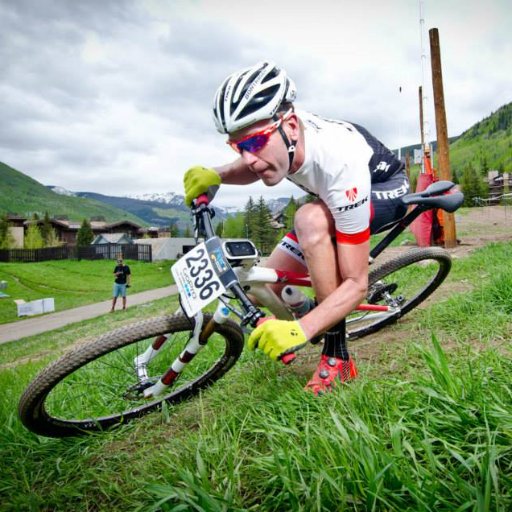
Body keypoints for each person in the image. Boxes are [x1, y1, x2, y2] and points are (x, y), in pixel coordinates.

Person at [183, 61, 409, 395]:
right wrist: (217, 174)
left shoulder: (337, 160)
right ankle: (310, 308)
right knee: (262, 287)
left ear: (290, 126)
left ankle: (338, 355)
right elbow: (253, 164)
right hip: (332, 197)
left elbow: (356, 283)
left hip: (383, 187)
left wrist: (302, 330)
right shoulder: (280, 139)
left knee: (309, 219)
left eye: (256, 142)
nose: (250, 158)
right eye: (238, 146)